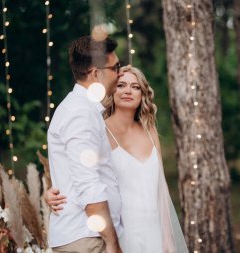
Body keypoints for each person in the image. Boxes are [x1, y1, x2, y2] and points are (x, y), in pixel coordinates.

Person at [46, 65, 188, 253]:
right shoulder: (100, 127)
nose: (128, 90)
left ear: (143, 94)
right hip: (121, 231)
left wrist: (167, 237)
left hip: (154, 228)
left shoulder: (150, 131)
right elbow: (81, 172)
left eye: (135, 87)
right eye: (121, 85)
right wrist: (51, 193)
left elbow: (161, 189)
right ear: (112, 90)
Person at [47, 35, 124, 253]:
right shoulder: (80, 113)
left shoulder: (83, 109)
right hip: (88, 239)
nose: (119, 73)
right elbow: (88, 183)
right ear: (95, 73)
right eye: (115, 67)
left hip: (88, 237)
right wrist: (112, 242)